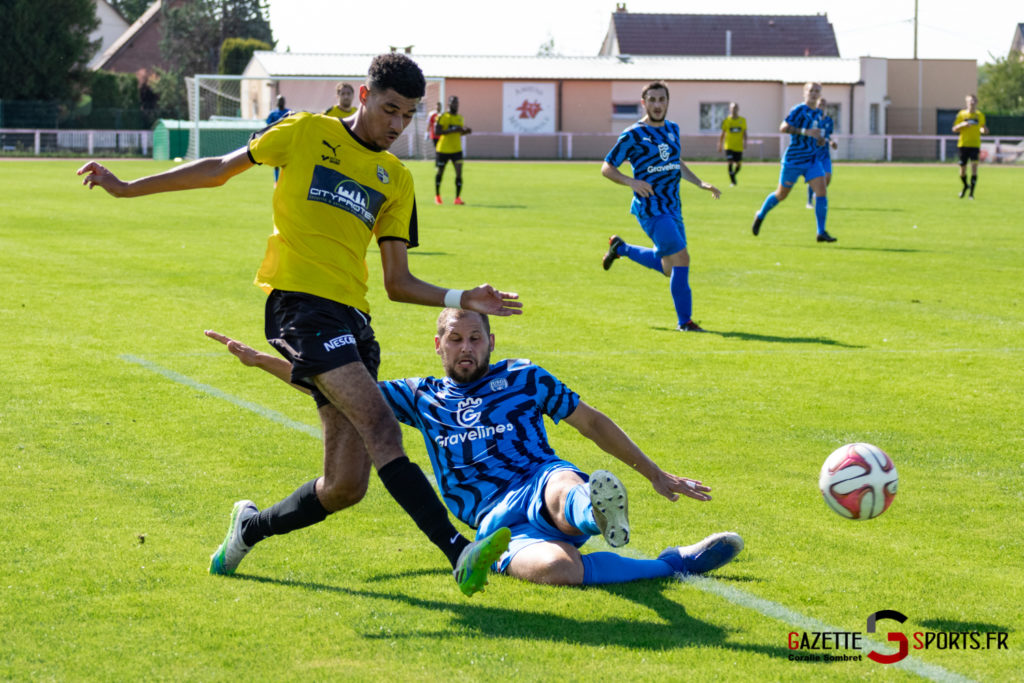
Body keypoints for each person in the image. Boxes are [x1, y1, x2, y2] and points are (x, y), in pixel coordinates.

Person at [76, 53, 523, 597]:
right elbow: (219, 169)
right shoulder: (304, 133)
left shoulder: (398, 179)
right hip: (300, 308)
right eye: (389, 110)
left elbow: (398, 283)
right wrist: (126, 187)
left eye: (407, 116)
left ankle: (249, 528)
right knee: (383, 425)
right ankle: (459, 552)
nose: (397, 126)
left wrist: (459, 296)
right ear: (363, 96)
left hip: (354, 320)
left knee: (344, 486)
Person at [206, 309, 744, 586]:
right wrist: (264, 362)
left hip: (538, 479)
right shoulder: (418, 395)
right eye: (456, 339)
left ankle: (592, 510)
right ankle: (672, 564)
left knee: (564, 487)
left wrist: (654, 472)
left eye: (476, 339)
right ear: (438, 344)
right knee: (558, 572)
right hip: (491, 522)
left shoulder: (523, 377)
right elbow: (334, 385)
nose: (467, 348)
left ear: (491, 342)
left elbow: (592, 423)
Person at [600, 81, 721, 333]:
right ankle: (685, 322)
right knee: (682, 259)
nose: (657, 105)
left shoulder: (673, 129)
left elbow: (675, 162)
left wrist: (700, 182)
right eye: (652, 100)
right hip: (651, 208)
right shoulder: (633, 134)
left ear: (668, 102)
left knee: (669, 267)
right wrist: (631, 182)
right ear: (644, 103)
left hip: (673, 207)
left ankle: (621, 248)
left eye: (661, 100)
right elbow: (607, 167)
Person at [751, 82, 836, 243]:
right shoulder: (798, 110)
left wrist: (819, 140)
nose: (814, 93)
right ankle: (760, 214)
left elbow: (815, 135)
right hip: (794, 160)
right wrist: (805, 132)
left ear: (820, 94)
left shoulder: (818, 113)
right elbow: (783, 127)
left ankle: (821, 232)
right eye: (811, 90)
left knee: (822, 192)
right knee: (781, 195)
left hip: (812, 160)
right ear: (805, 93)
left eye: (817, 91)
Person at [434, 95, 471, 205]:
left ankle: (457, 198)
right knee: (440, 172)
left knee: (459, 173)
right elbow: (437, 131)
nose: (456, 105)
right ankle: (437, 196)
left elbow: (459, 132)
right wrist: (453, 129)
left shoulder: (460, 117)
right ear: (449, 104)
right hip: (443, 150)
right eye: (454, 103)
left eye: (457, 103)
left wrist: (465, 131)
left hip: (456, 150)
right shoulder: (443, 116)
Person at [952, 94, 988, 199]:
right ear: (967, 102)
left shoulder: (980, 115)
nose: (972, 103)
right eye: (970, 101)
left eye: (974, 101)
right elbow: (954, 129)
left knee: (974, 167)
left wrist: (984, 130)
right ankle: (965, 186)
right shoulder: (961, 114)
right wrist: (961, 125)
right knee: (962, 170)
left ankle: (971, 194)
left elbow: (982, 128)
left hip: (975, 145)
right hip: (963, 145)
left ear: (976, 102)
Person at [806, 96, 837, 209]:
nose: (821, 107)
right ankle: (809, 202)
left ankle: (815, 194)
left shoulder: (829, 120)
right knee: (814, 177)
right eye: (819, 104)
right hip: (814, 153)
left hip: (825, 154)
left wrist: (831, 142)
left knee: (827, 177)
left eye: (823, 105)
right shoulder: (812, 119)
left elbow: (828, 136)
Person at [717, 102, 747, 187]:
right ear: (730, 109)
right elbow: (722, 133)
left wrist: (745, 142)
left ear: (738, 109)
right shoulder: (726, 121)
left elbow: (744, 133)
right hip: (728, 146)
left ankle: (733, 174)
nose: (734, 110)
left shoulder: (742, 120)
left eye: (735, 108)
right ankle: (733, 182)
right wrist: (720, 144)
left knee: (738, 164)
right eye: (732, 108)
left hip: (738, 146)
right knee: (730, 162)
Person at [265, 95, 292, 186]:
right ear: (277, 102)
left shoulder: (289, 112)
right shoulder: (273, 113)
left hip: (286, 139)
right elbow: (268, 125)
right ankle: (276, 181)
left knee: (287, 161)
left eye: (282, 100)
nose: (280, 102)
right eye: (279, 100)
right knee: (276, 161)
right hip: (276, 140)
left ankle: (286, 180)